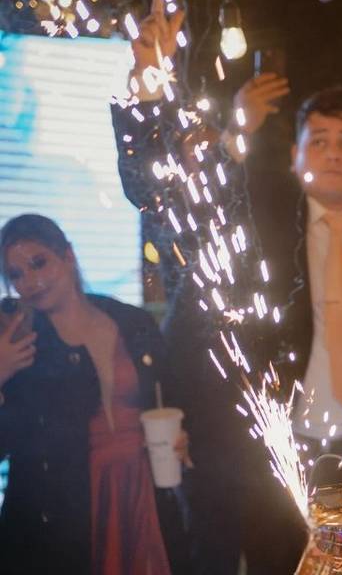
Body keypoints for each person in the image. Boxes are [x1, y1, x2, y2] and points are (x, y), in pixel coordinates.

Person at [112, 0, 342, 574]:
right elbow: (170, 195)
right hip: (284, 462)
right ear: (295, 156)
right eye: (317, 140)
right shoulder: (262, 224)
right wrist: (149, 85)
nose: (333, 153)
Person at [0, 214, 189, 574]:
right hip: (59, 509)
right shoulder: (18, 341)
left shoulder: (130, 323)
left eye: (39, 262)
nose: (31, 281)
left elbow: (174, 395)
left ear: (68, 255)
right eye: (16, 274)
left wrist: (184, 435)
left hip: (142, 487)